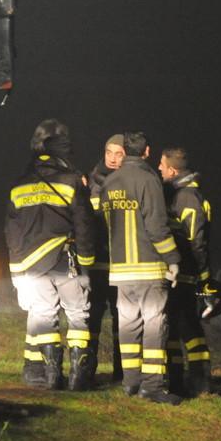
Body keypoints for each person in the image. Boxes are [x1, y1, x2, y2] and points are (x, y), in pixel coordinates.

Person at [5, 119, 96, 390]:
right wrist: (87, 265)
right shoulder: (71, 181)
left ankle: (51, 377)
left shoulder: (19, 184)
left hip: (30, 265)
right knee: (78, 315)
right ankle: (78, 380)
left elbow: (10, 230)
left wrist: (16, 270)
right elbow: (84, 225)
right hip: (65, 260)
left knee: (43, 315)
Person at [100, 131, 182, 405]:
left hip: (121, 270)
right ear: (146, 152)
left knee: (127, 325)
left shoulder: (110, 182)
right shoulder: (149, 180)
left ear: (124, 152)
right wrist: (173, 258)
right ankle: (153, 386)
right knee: (154, 323)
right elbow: (157, 226)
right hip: (148, 267)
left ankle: (130, 382)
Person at [159, 147, 213, 396]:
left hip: (185, 274)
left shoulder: (187, 197)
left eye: (162, 165)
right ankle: (178, 380)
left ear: (172, 170)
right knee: (175, 327)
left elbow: (196, 240)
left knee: (189, 328)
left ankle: (199, 381)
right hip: (181, 273)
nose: (159, 169)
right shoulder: (182, 194)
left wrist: (201, 276)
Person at [85, 134, 126, 384]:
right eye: (109, 152)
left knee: (124, 321)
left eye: (118, 153)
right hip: (96, 264)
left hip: (123, 265)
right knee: (92, 319)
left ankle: (122, 372)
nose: (112, 158)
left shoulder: (130, 182)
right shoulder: (90, 182)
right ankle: (87, 370)